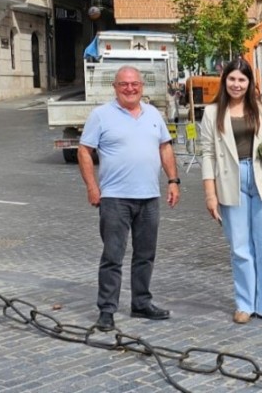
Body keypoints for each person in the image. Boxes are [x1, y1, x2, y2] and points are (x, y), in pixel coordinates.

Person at [78, 65, 181, 332]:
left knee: (145, 254)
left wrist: (173, 180)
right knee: (113, 255)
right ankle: (107, 310)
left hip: (149, 197)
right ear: (115, 87)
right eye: (124, 84)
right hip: (115, 199)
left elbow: (165, 147)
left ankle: (141, 303)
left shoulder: (153, 114)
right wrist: (92, 186)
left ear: (141, 86)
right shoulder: (100, 115)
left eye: (134, 83)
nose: (130, 88)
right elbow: (85, 151)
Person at [199, 58, 262, 325]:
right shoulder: (212, 112)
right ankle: (245, 304)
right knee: (240, 247)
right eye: (232, 79)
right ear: (224, 80)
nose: (236, 84)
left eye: (242, 79)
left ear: (250, 82)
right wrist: (210, 195)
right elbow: (207, 154)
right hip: (230, 181)